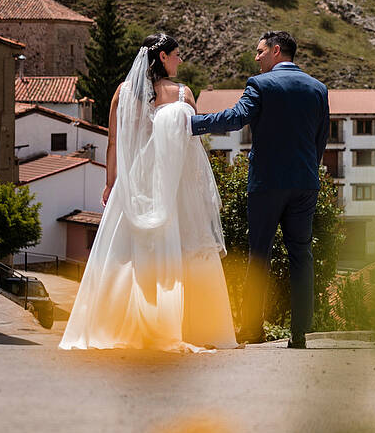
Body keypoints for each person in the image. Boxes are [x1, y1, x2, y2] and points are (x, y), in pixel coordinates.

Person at [59, 33, 237, 351]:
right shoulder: (183, 94)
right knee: (182, 250)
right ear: (163, 57)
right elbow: (194, 143)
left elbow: (113, 143)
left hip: (136, 181)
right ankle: (193, 325)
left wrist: (111, 182)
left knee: (128, 250)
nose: (180, 61)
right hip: (175, 185)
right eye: (176, 55)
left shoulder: (123, 92)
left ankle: (115, 323)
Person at [190, 30, 329, 348]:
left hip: (266, 184)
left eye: (260, 51)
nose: (256, 57)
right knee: (302, 256)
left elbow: (237, 118)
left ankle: (252, 329)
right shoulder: (318, 89)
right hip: (305, 184)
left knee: (258, 256)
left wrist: (190, 124)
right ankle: (300, 333)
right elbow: (320, 139)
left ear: (276, 51)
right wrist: (307, 171)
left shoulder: (260, 84)